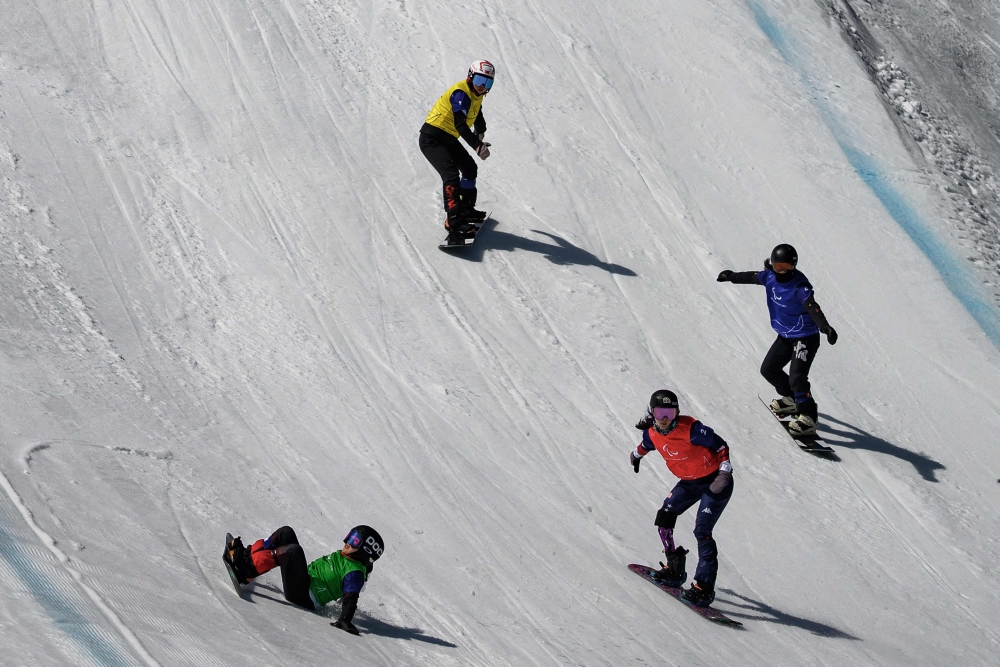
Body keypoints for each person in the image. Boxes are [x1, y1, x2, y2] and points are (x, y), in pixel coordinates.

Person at [717, 244, 838, 436]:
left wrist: (825, 327)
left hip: (805, 337)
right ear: (772, 265)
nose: (782, 271)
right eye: (778, 266)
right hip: (786, 336)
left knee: (797, 377)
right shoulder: (769, 277)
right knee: (769, 370)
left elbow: (812, 307)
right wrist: (731, 276)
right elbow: (750, 277)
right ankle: (792, 400)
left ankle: (809, 417)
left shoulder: (800, 286)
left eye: (786, 267)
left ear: (794, 266)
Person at [630, 390, 734, 607]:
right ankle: (674, 570)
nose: (665, 418)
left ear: (677, 412)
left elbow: (721, 445)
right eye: (660, 413)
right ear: (652, 412)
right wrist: (636, 455)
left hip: (715, 482)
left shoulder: (691, 430)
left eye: (670, 412)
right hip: (690, 483)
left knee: (702, 531)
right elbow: (646, 445)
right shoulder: (651, 433)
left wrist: (724, 471)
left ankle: (704, 588)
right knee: (664, 517)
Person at [225, 525, 384, 635]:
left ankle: (245, 571)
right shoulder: (348, 557)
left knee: (293, 551)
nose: (347, 542)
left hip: (303, 596)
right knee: (286, 533)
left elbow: (351, 596)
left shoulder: (354, 572)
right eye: (350, 536)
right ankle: (247, 557)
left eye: (355, 541)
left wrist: (345, 620)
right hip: (302, 581)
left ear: (365, 551)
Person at [420, 59, 495, 245]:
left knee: (469, 168)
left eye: (487, 82)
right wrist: (477, 145)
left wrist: (480, 131)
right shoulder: (461, 93)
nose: (482, 86)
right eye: (479, 80)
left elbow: (477, 112)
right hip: (432, 138)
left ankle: (466, 210)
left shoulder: (476, 94)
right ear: (470, 76)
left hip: (447, 138)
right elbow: (460, 124)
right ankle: (453, 220)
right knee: (451, 175)